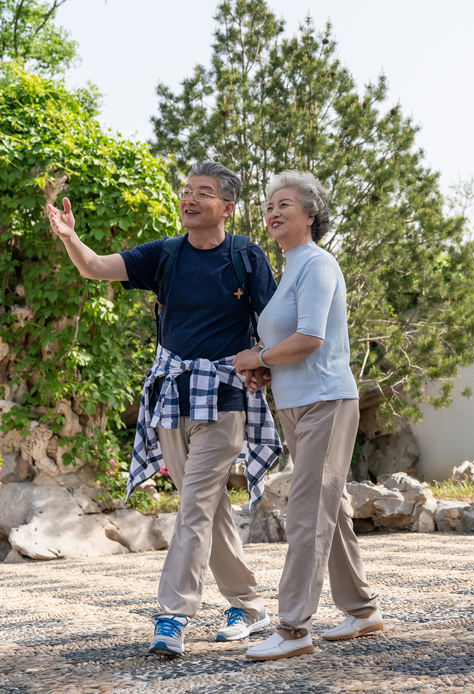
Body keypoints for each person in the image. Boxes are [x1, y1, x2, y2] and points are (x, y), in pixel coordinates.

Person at [47, 161, 281, 657]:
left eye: (204, 192)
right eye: (187, 191)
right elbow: (95, 267)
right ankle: (248, 604)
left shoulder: (246, 256)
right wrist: (70, 237)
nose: (190, 199)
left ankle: (172, 614)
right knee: (209, 504)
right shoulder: (166, 254)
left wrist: (264, 363)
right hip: (171, 398)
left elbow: (276, 320)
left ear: (227, 207)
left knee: (194, 503)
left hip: (225, 396)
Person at [233, 171, 381, 661]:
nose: (274, 212)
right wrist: (267, 368)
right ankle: (362, 608)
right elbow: (287, 347)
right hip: (295, 404)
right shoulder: (291, 268)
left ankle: (294, 629)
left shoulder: (317, 265)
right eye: (270, 205)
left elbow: (310, 339)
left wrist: (259, 359)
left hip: (326, 403)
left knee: (306, 513)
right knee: (329, 510)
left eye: (286, 204)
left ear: (311, 213)